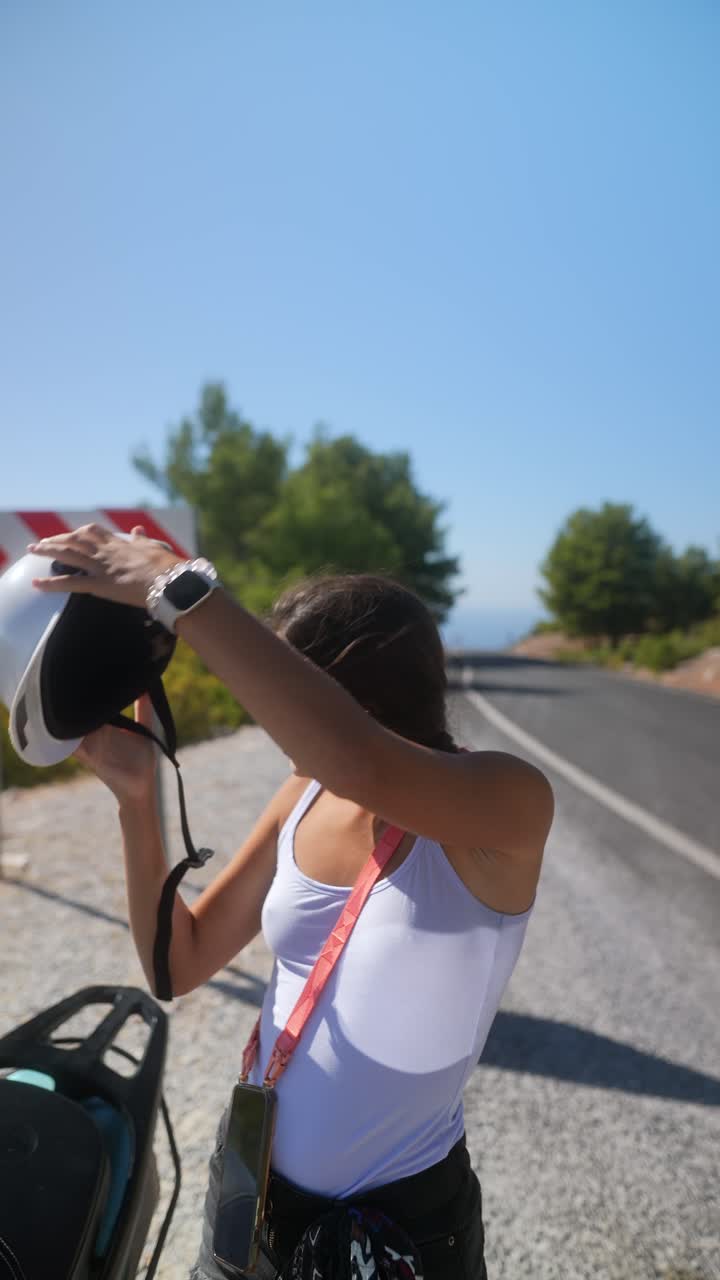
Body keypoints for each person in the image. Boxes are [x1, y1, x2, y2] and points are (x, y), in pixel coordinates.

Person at [29, 524, 555, 1279]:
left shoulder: (506, 804)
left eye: (281, 689)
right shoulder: (305, 795)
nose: (264, 718)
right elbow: (176, 962)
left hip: (397, 1231)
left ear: (343, 692)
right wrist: (136, 802)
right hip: (255, 1201)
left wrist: (172, 586)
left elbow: (360, 756)